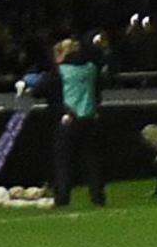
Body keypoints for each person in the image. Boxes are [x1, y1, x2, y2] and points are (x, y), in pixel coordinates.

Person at [28, 36, 107, 208]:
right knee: (92, 160)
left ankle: (63, 198)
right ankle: (97, 196)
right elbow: (99, 87)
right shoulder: (90, 68)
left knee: (63, 161)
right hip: (90, 118)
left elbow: (39, 90)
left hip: (68, 120)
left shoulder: (60, 72)